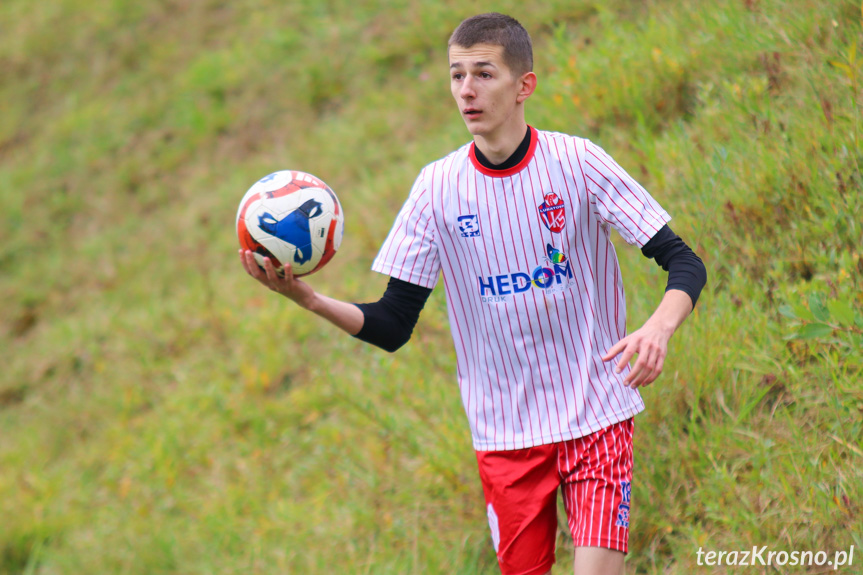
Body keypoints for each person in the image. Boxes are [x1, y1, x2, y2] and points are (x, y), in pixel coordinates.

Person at [239, 12, 706, 575]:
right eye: (457, 75)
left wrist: (659, 327)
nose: (466, 90)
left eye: (484, 74)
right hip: (505, 434)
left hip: (597, 413)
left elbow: (684, 262)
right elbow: (392, 324)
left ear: (524, 85)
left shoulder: (578, 163)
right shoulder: (436, 189)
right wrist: (310, 301)